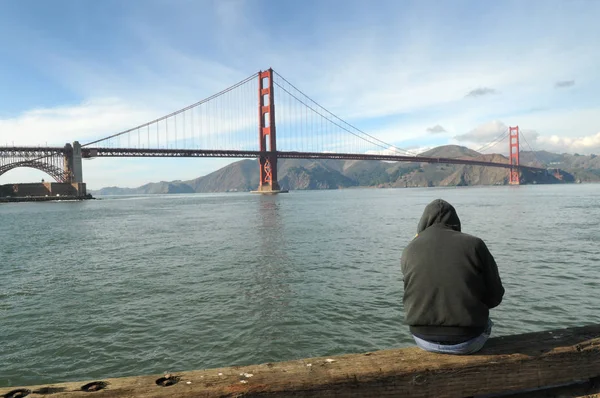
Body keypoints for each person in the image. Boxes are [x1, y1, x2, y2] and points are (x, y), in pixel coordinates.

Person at [401, 199, 504, 355]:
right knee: (487, 323)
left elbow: (412, 294)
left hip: (423, 339)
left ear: (423, 222)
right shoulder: (474, 244)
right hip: (467, 341)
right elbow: (495, 296)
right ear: (455, 221)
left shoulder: (409, 248)